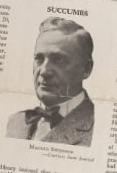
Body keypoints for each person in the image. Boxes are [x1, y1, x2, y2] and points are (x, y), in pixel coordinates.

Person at [6, 16, 95, 146]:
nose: (44, 71)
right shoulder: (14, 122)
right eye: (39, 58)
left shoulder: (97, 127)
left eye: (59, 60)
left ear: (86, 69)